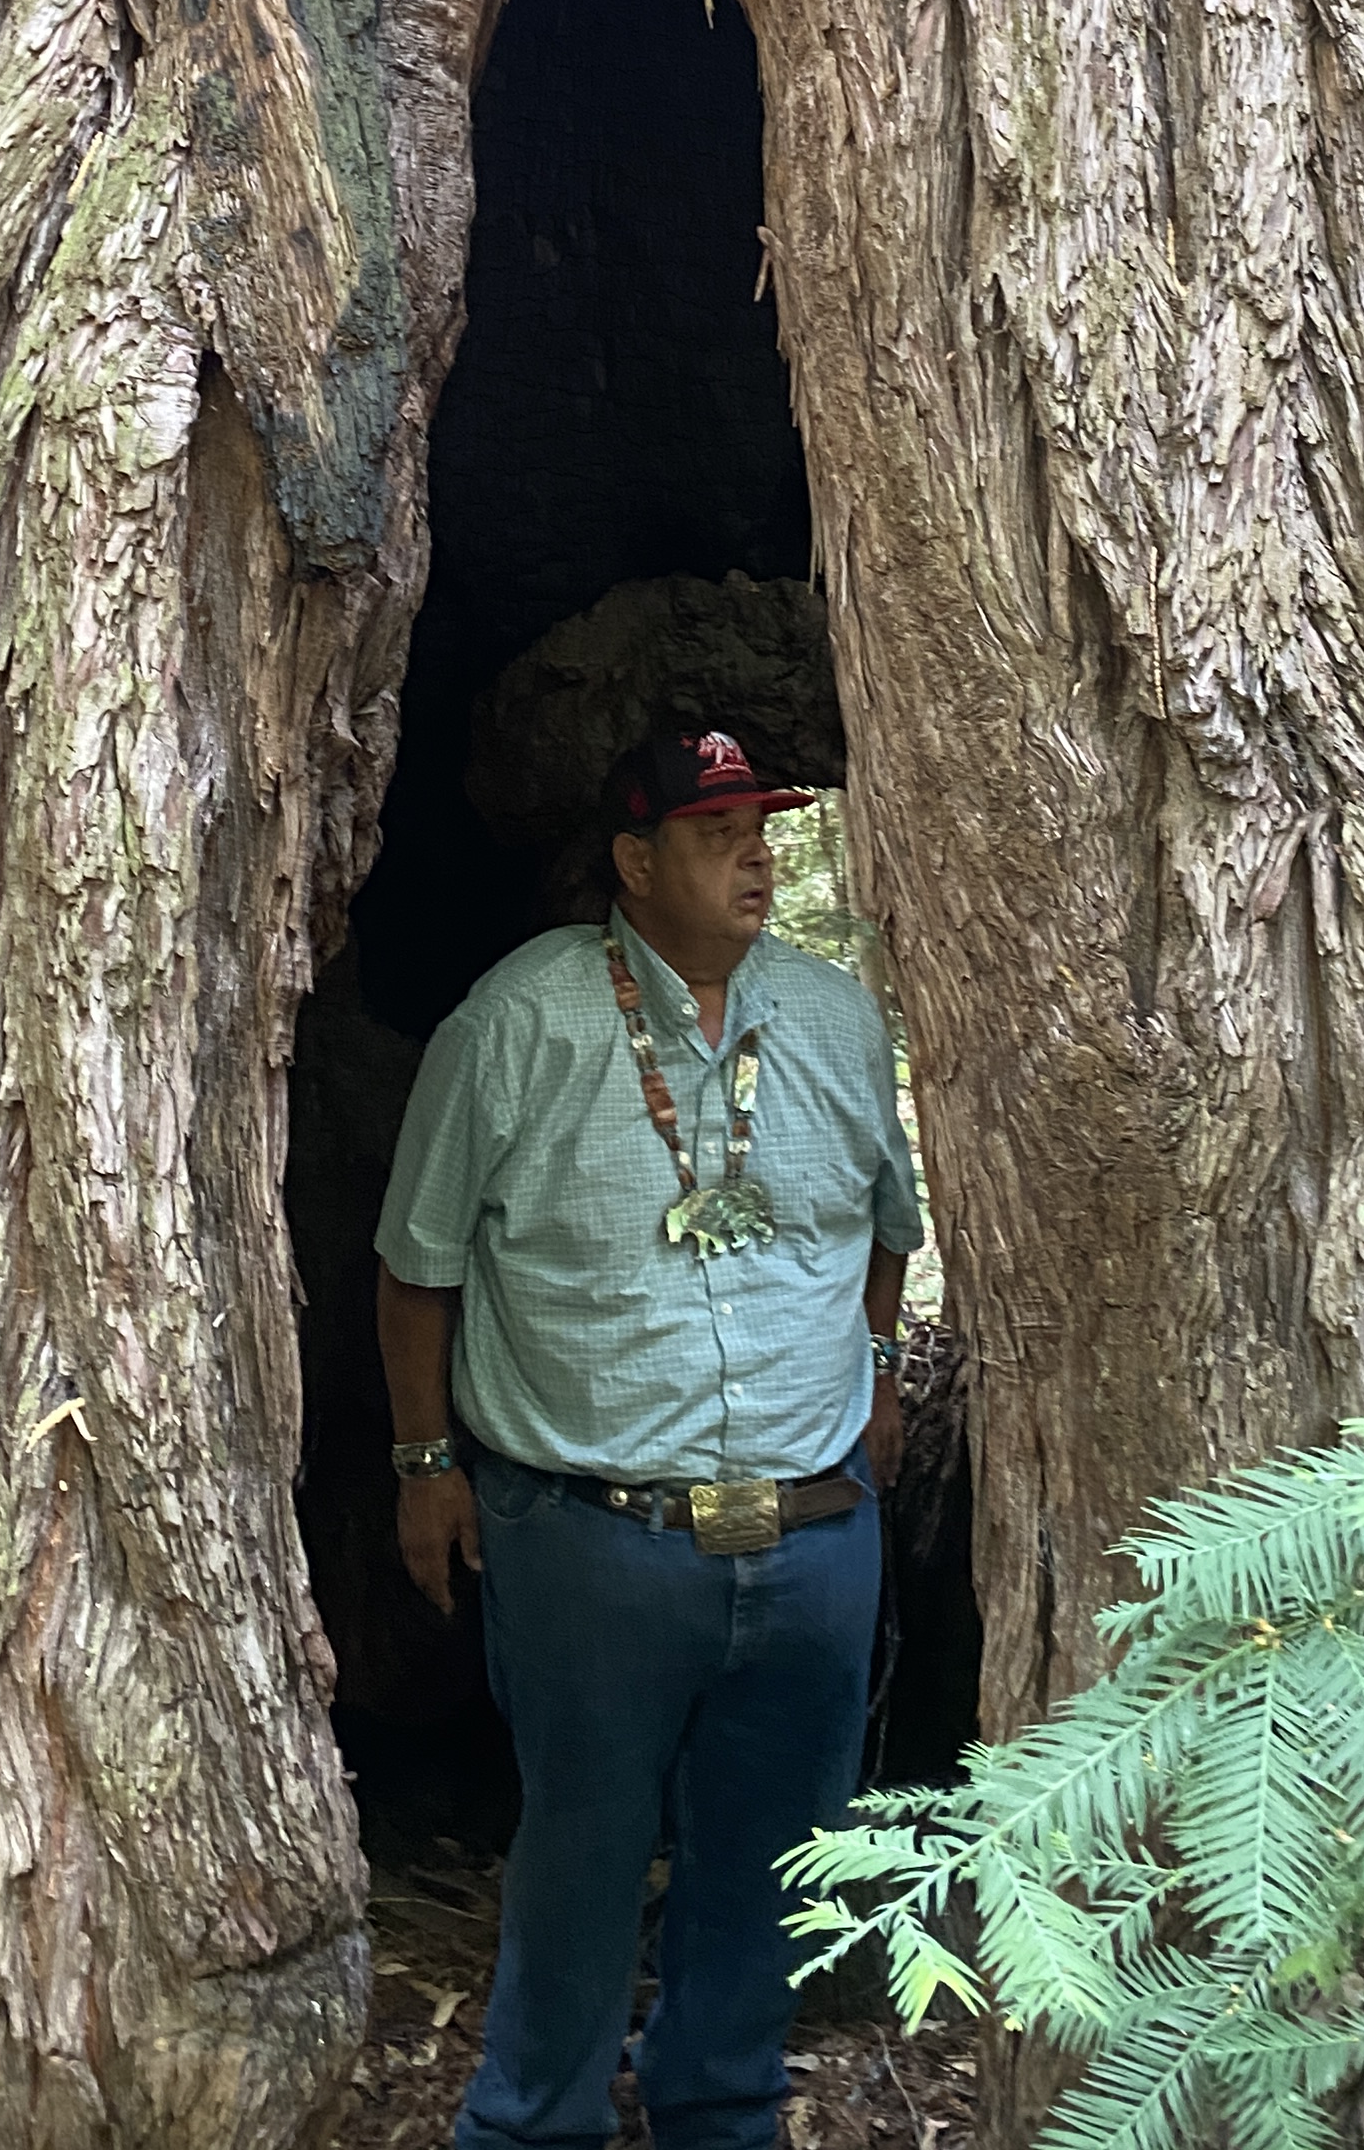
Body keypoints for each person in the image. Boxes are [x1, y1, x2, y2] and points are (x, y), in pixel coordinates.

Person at [375, 721, 923, 2150]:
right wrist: (426, 1466)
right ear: (633, 860)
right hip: (594, 1539)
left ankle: (721, 2107)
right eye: (714, 833)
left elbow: (886, 1229)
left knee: (779, 1853)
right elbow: (418, 1267)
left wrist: (875, 1376)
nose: (757, 857)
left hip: (814, 1530)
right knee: (583, 1847)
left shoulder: (834, 1017)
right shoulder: (519, 1024)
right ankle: (532, 2123)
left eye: (764, 830)